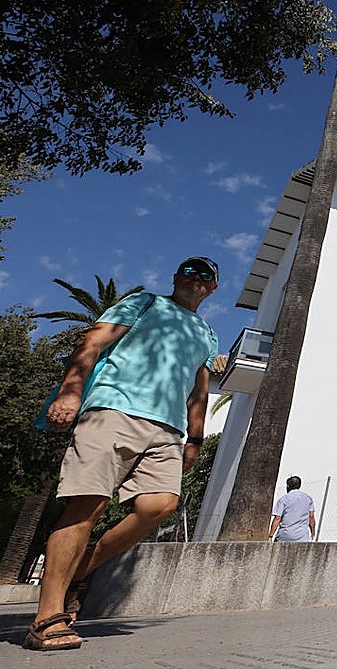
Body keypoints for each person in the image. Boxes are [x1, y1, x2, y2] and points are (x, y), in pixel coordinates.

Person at [24, 257, 219, 651]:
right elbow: (93, 340)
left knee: (160, 506)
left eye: (204, 276)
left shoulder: (207, 334)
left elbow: (199, 391)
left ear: (213, 288)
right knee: (88, 504)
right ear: (175, 277)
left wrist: (194, 440)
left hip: (167, 429)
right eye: (189, 271)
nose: (195, 279)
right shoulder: (143, 303)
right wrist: (70, 390)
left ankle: (84, 567)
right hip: (113, 411)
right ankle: (47, 618)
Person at [270, 476, 316, 542]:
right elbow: (311, 517)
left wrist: (270, 536)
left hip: (284, 535)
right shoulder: (308, 498)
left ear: (288, 486)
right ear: (299, 486)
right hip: (302, 536)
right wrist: (313, 532)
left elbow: (277, 518)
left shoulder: (283, 499)